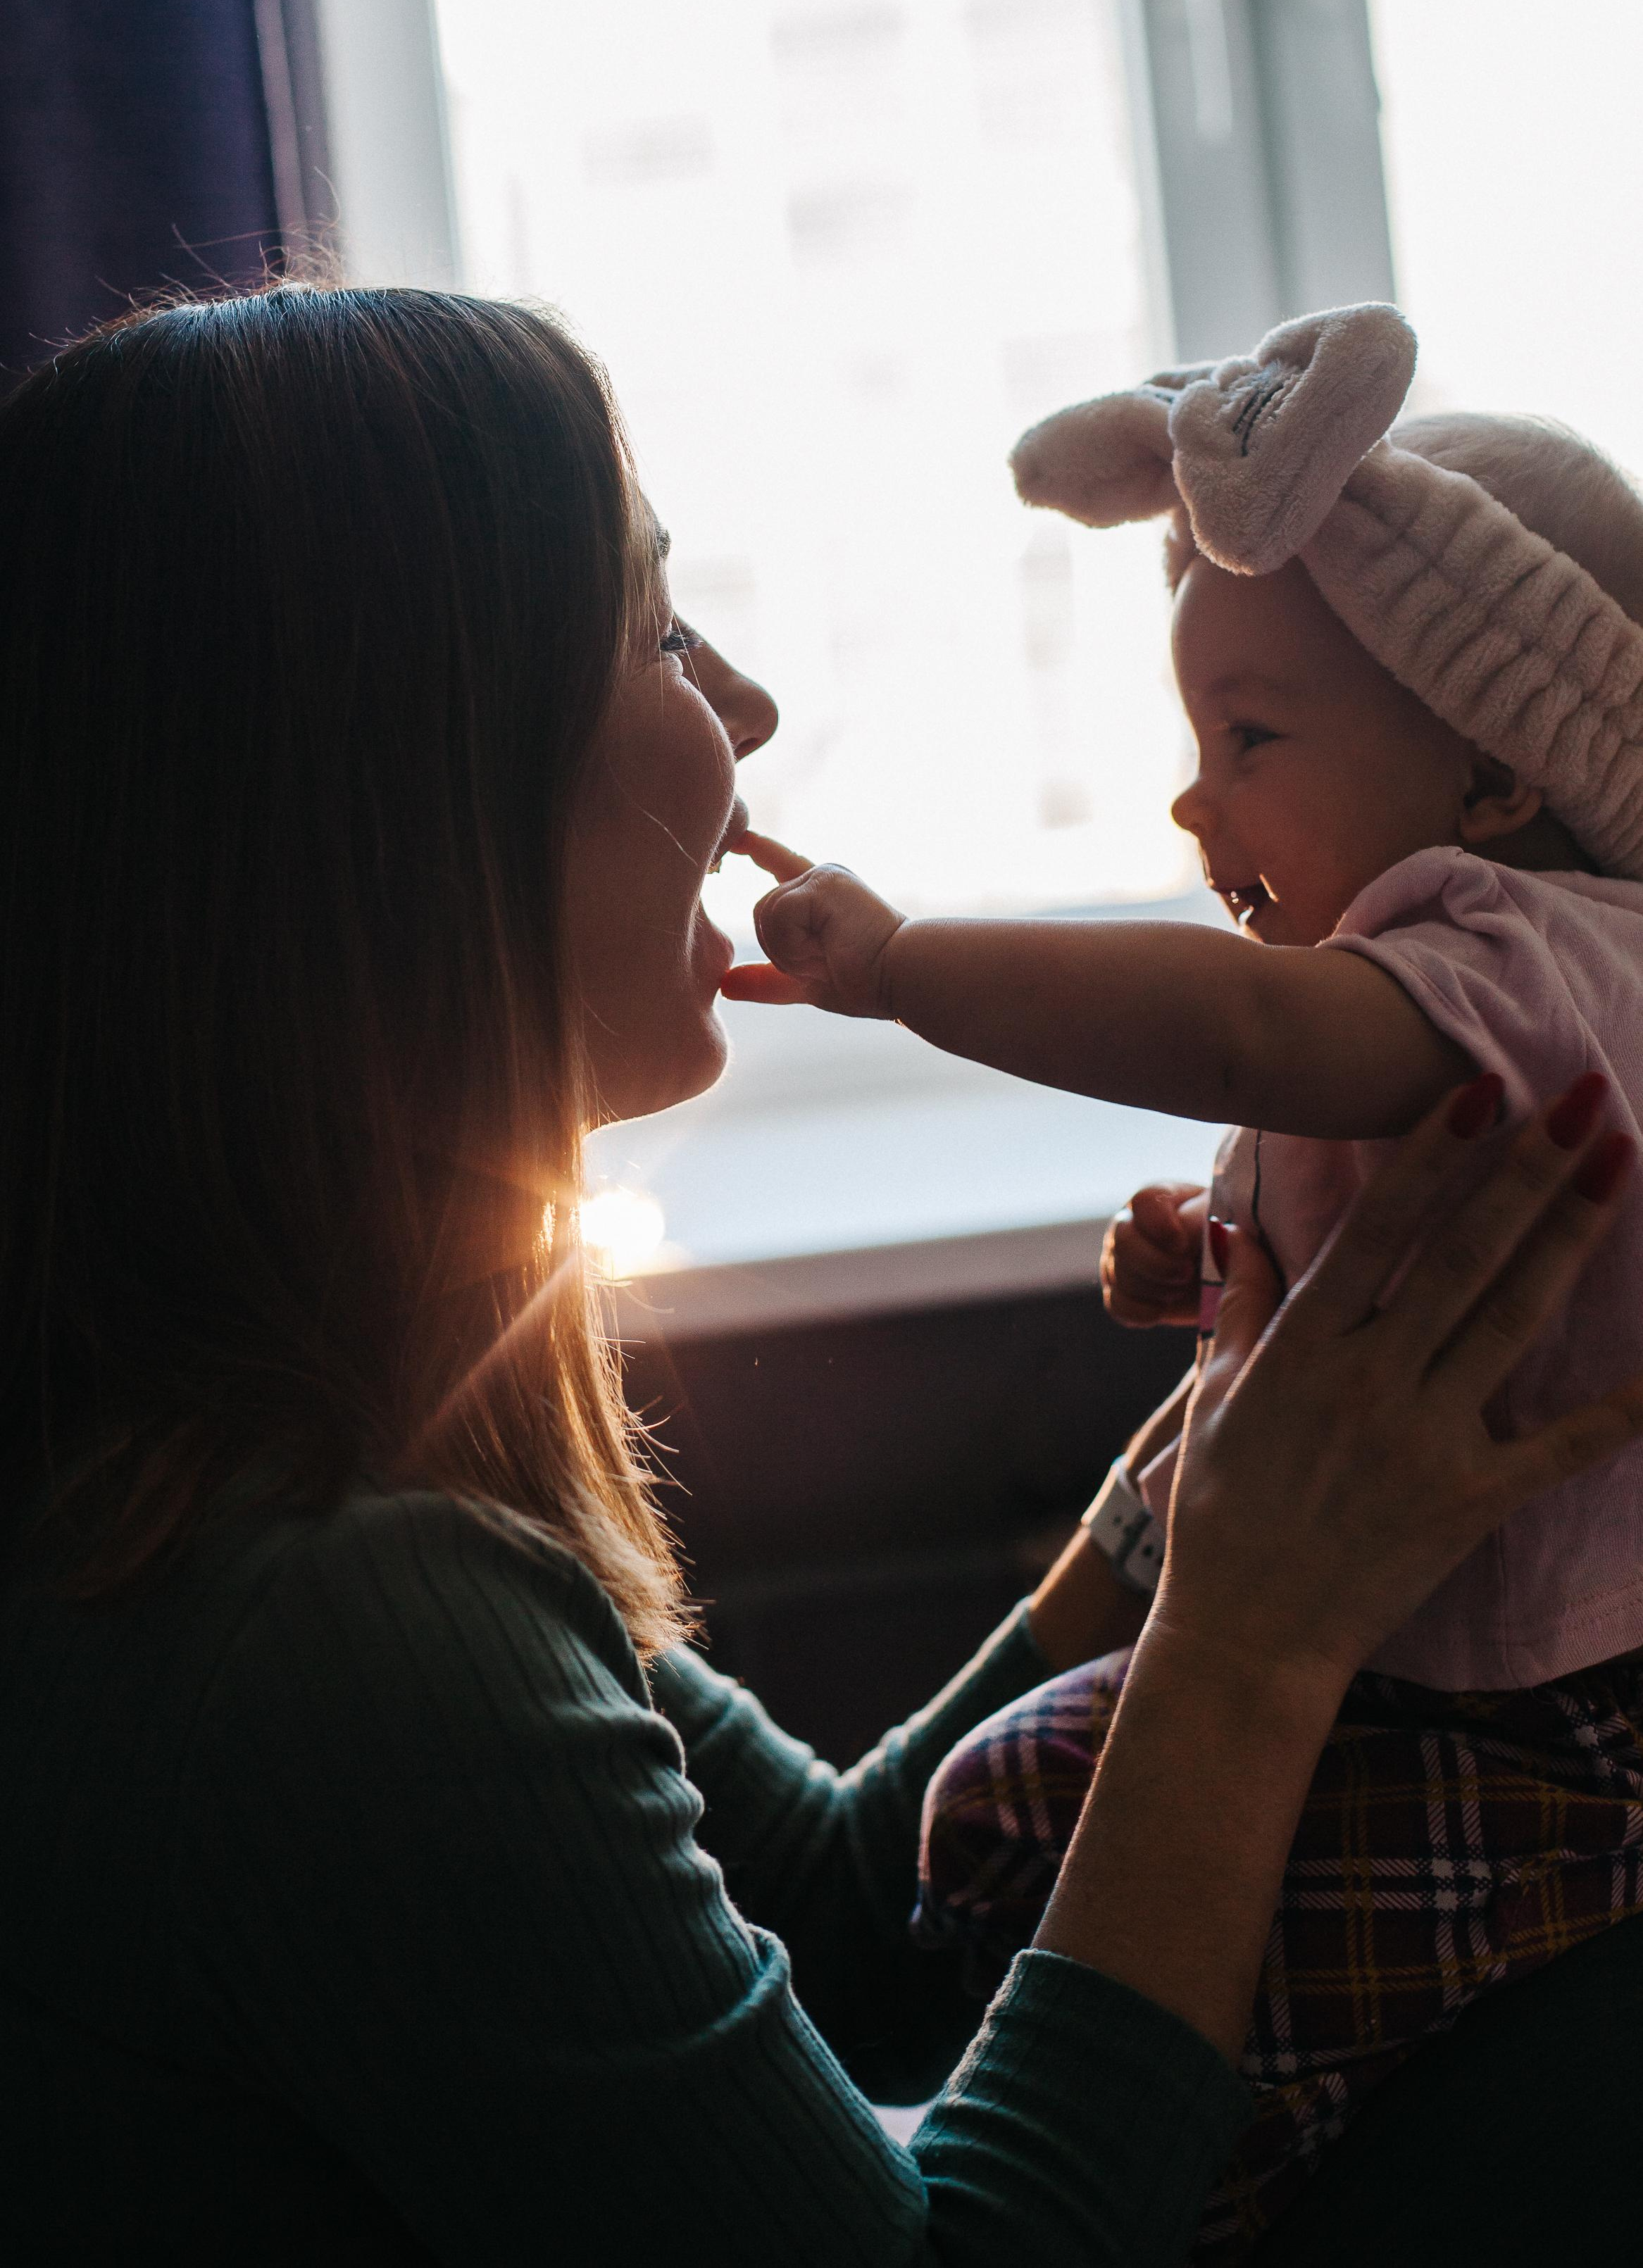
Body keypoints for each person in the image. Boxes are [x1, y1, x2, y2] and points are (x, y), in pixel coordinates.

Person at [0, 286, 1639, 2267]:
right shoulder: (336, 1631)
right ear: (404, 791)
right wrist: (1250, 1642)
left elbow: (862, 1922)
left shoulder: (297, 1463)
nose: (748, 707)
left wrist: (1227, 1446)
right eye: (658, 628)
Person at [724, 303, 1643, 2254]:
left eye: (1252, 736)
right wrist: (1227, 1252)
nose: (1192, 797)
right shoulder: (1442, 971)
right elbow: (1310, 1132)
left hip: (1545, 1714)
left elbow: (1244, 1038)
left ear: (1492, 766)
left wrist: (902, 970)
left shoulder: (1544, 945)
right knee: (994, 1828)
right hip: (1412, 1645)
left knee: (1261, 2046)